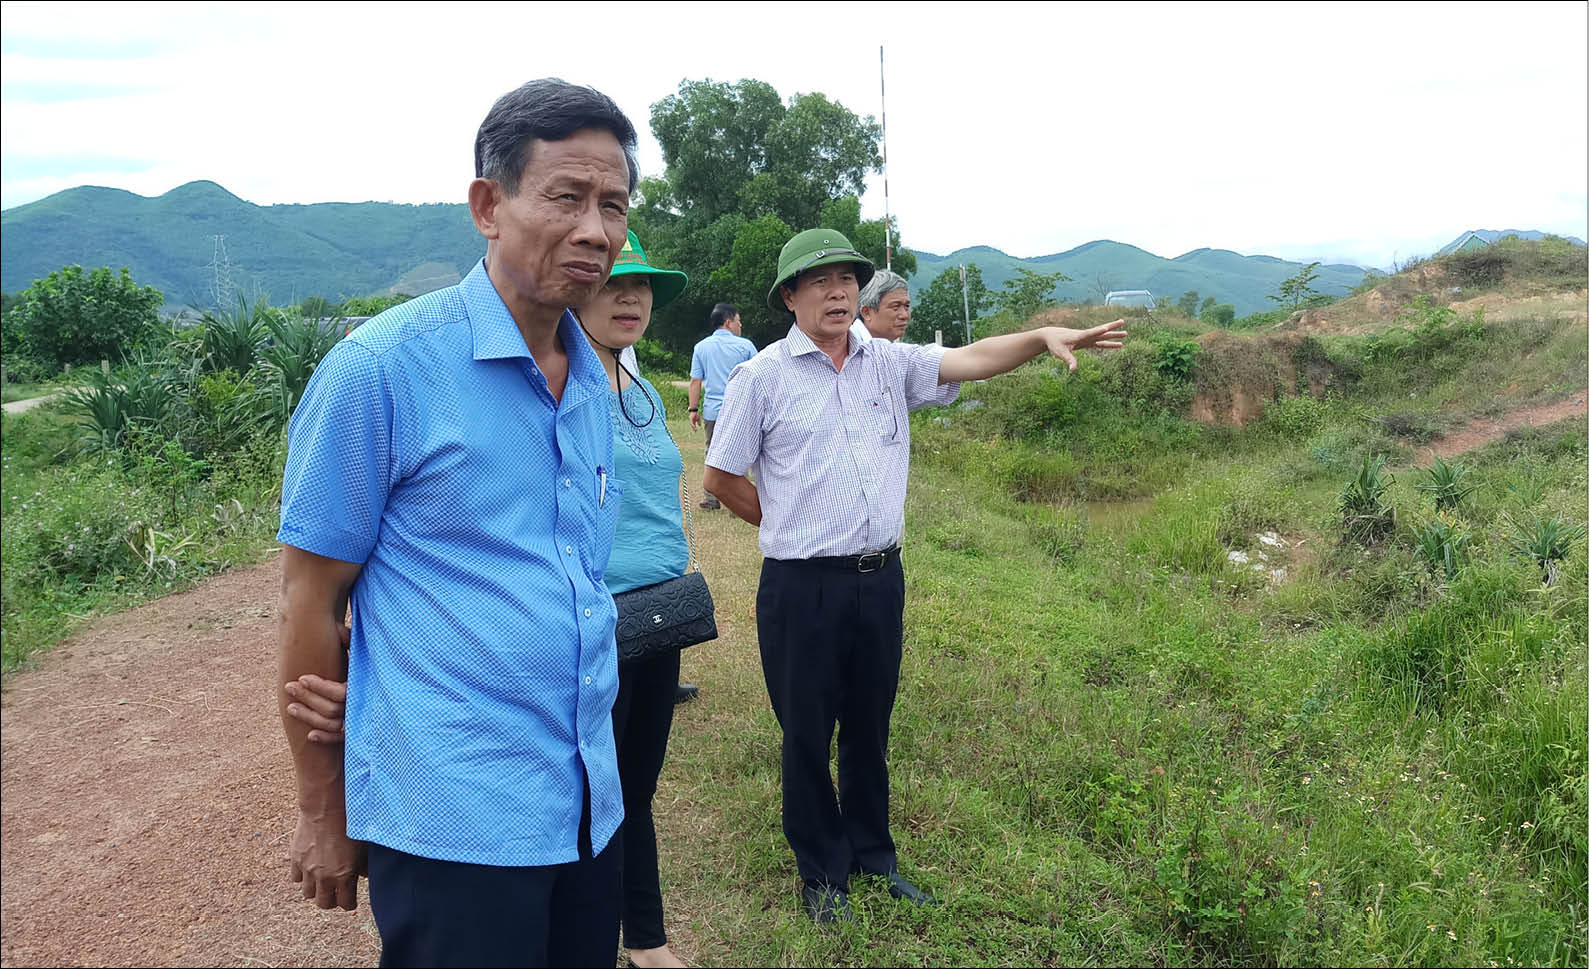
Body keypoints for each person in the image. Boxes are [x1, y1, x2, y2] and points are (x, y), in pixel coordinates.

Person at [275, 78, 639, 967]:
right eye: (565, 196)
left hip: (588, 800)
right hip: (455, 817)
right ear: (488, 204)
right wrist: (324, 809)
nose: (595, 230)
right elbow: (310, 601)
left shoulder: (592, 377)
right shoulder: (382, 370)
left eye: (613, 205)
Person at [702, 227, 1125, 925]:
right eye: (819, 282)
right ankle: (822, 873)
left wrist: (1041, 333)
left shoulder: (889, 364)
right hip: (800, 588)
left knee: (869, 726)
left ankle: (874, 856)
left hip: (879, 580)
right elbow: (720, 474)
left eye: (846, 280)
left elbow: (972, 358)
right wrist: (787, 527)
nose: (836, 292)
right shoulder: (763, 376)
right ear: (789, 296)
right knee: (807, 732)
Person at [687, 303, 756, 509]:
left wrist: (693, 409)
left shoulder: (701, 347)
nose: (740, 324)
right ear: (728, 322)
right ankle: (738, 503)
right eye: (738, 320)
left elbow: (695, 381)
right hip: (739, 409)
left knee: (712, 452)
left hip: (712, 410)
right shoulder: (745, 346)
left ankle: (710, 498)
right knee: (740, 453)